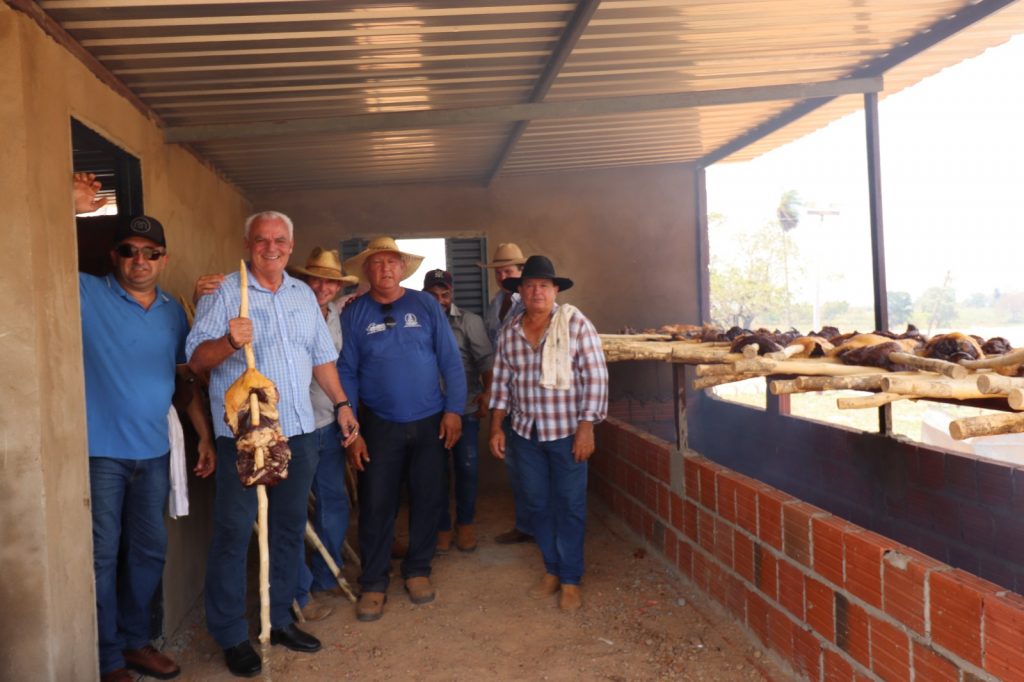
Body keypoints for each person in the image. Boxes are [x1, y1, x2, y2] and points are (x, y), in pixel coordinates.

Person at [186, 211, 359, 677]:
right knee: (233, 533)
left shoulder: (304, 295)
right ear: (247, 243)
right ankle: (230, 634)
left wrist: (342, 404)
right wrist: (228, 339)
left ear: (291, 244)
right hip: (243, 436)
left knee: (287, 528)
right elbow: (197, 361)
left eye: (279, 240)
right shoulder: (225, 291)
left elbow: (321, 357)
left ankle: (278, 618)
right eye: (261, 240)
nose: (271, 247)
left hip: (298, 430)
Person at [77, 199, 215, 681]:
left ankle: (136, 642)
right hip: (101, 454)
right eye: (130, 251)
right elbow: (29, 253)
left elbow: (185, 382)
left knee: (149, 551)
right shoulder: (85, 292)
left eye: (151, 252)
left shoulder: (173, 311)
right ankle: (107, 657)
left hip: (155, 453)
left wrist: (203, 437)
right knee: (101, 556)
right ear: (115, 256)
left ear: (164, 259)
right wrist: (67, 208)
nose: (141, 260)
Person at [338, 237, 467, 622]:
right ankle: (374, 581)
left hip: (430, 420)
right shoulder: (354, 313)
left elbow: (450, 360)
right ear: (367, 270)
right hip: (379, 424)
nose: (385, 269)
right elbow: (346, 371)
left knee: (429, 497)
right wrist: (352, 430)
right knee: (376, 502)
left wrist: (454, 410)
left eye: (391, 262)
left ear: (402, 268)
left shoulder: (425, 304)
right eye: (376, 264)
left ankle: (418, 570)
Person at [488, 255, 608, 612]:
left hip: (568, 431)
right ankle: (552, 569)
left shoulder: (575, 325)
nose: (536, 291)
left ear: (555, 290)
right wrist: (496, 426)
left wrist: (587, 427)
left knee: (569, 504)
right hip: (525, 433)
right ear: (519, 292)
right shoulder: (510, 332)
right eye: (529, 285)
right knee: (536, 502)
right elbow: (501, 383)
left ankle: (570, 578)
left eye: (544, 285)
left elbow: (595, 377)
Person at [422, 269, 494, 553]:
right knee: (435, 473)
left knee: (467, 468)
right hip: (429, 411)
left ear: (452, 293)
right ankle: (441, 527)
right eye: (433, 295)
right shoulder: (416, 322)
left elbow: (486, 361)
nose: (439, 300)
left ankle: (465, 524)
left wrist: (488, 393)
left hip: (464, 408)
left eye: (445, 294)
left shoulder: (470, 321)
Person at [478, 243, 532, 545]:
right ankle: (525, 523)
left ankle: (541, 524)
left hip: (527, 393)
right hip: (503, 393)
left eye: (509, 270)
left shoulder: (528, 300)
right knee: (515, 463)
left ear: (520, 272)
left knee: (533, 462)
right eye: (499, 271)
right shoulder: (495, 302)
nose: (502, 275)